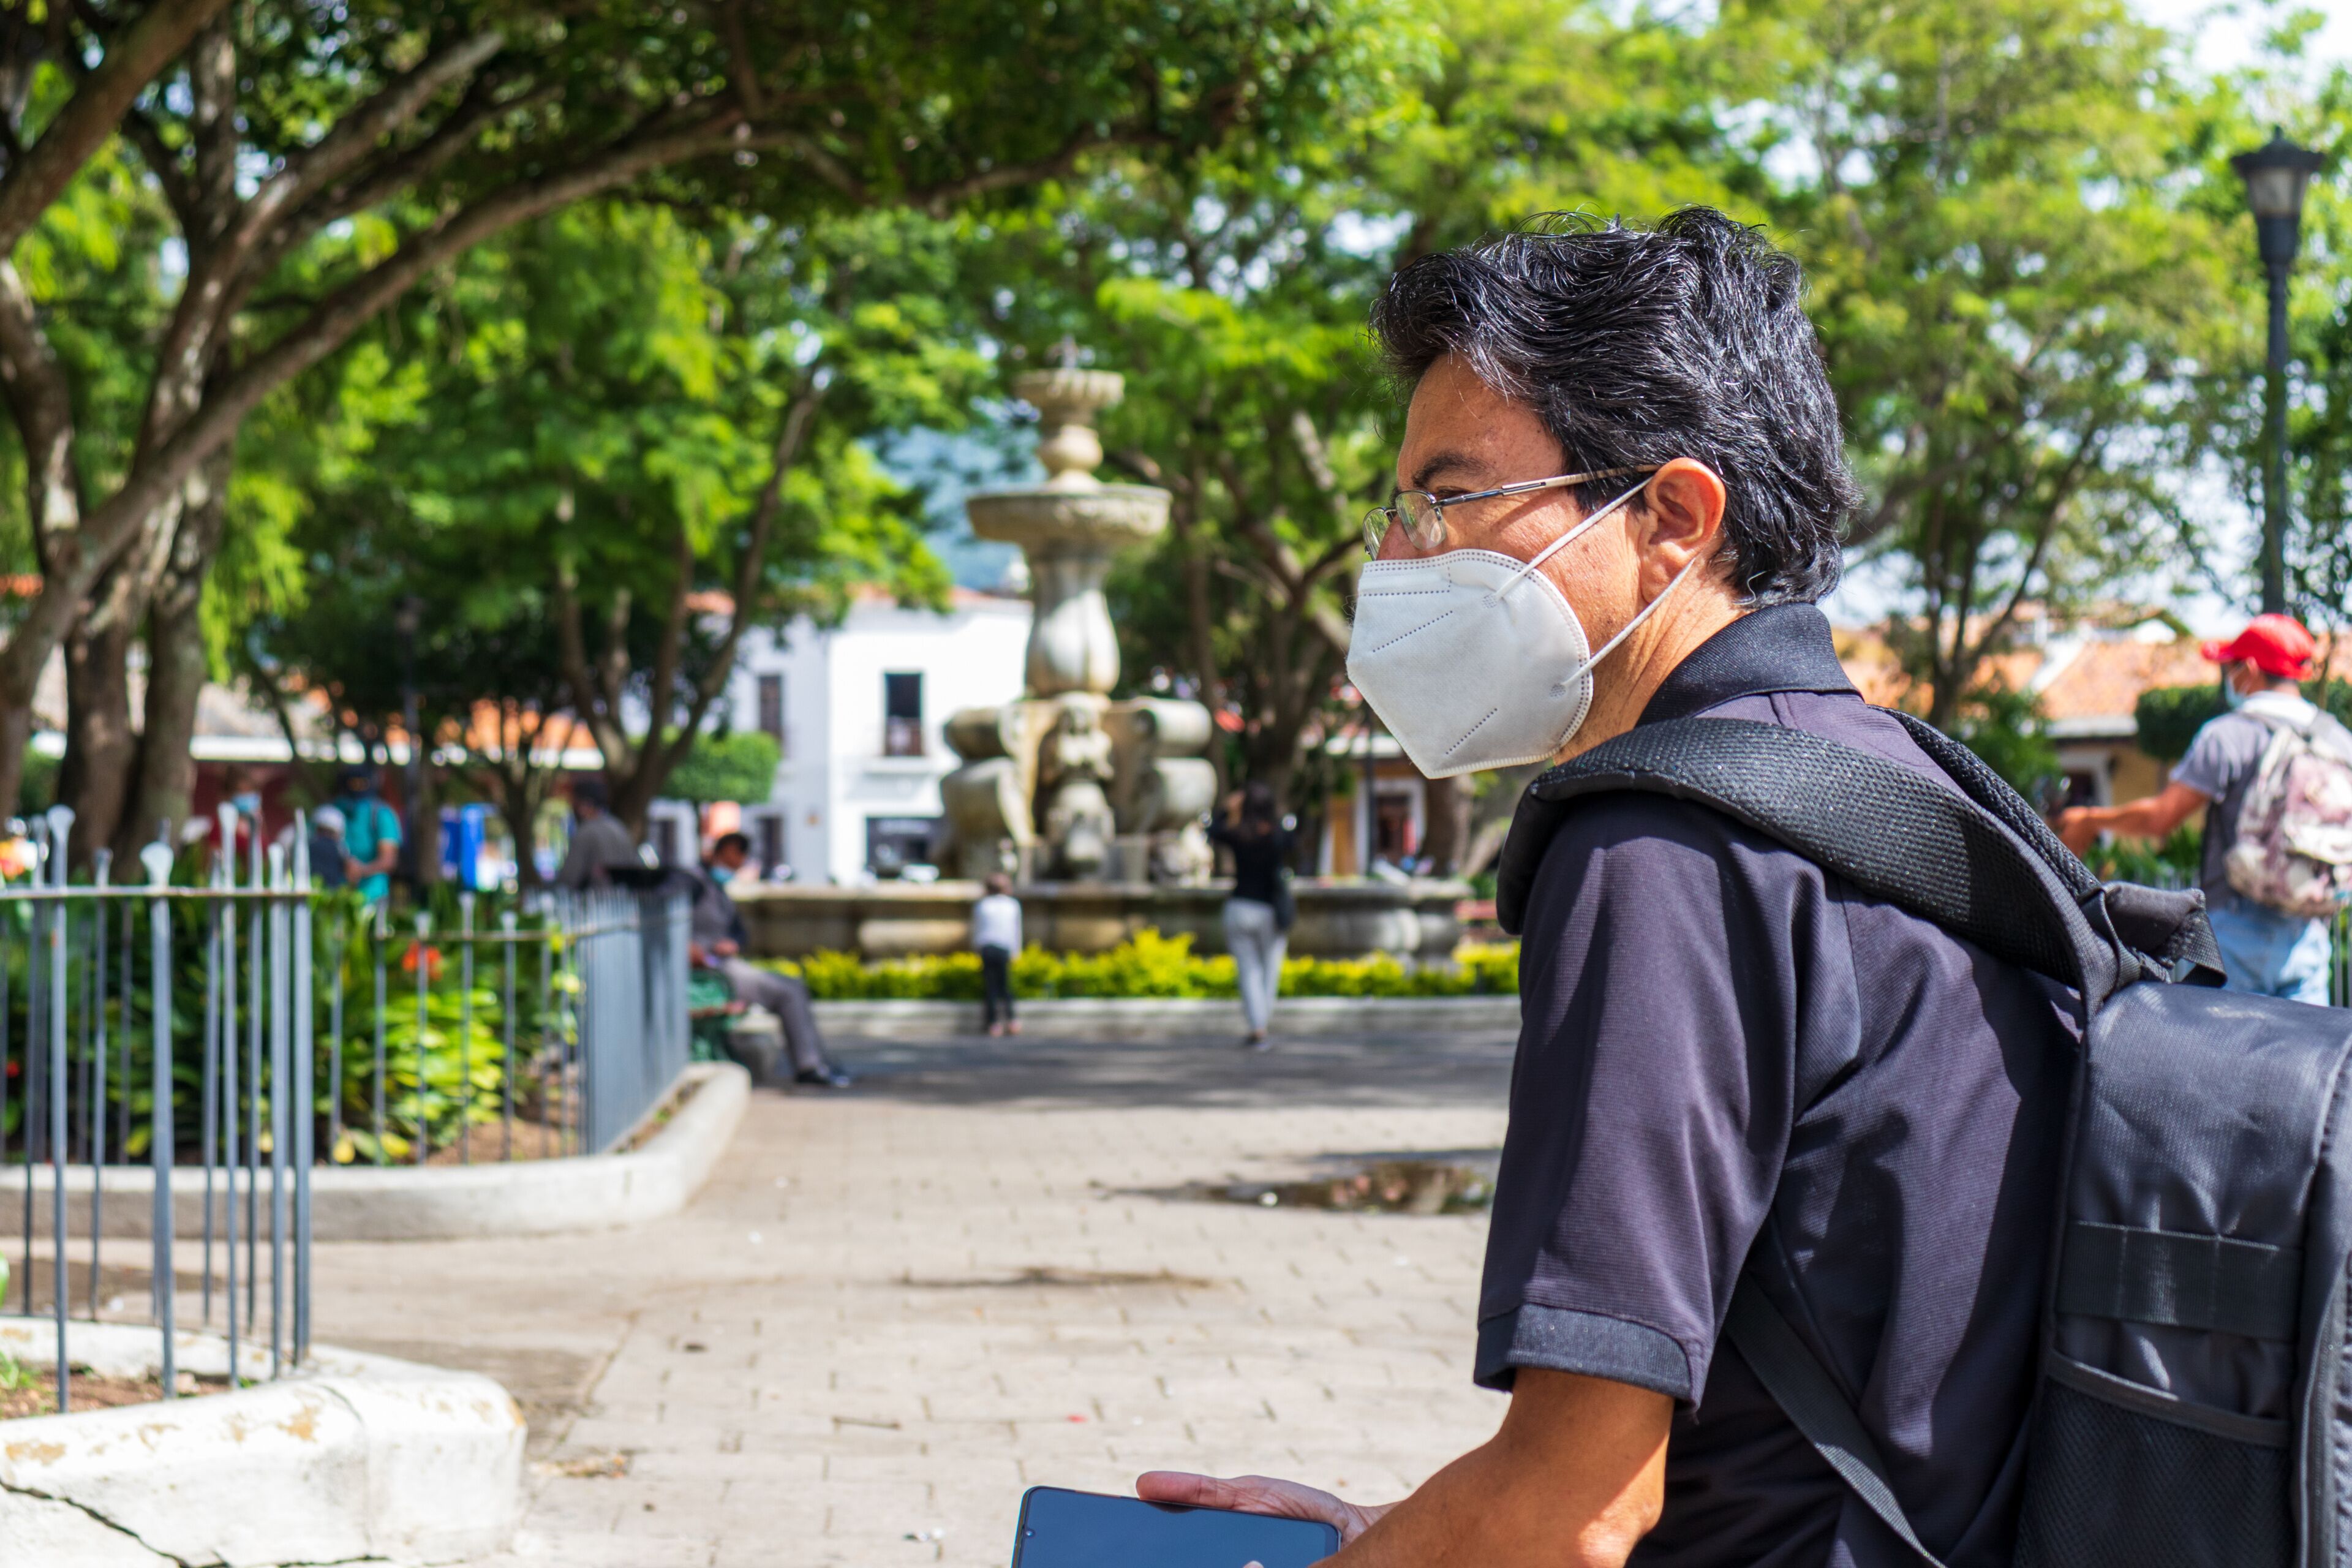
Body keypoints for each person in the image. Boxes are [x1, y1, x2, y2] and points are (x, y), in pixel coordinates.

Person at [1139, 211, 2076, 1567]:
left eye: (1446, 503)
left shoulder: (1665, 848)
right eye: (1395, 512)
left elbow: (1576, 1512)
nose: (1398, 560)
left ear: (1672, 519)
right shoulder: (1907, 790)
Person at [2055, 614, 2334, 1003]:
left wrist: (2090, 820)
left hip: (2237, 932)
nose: (2229, 679)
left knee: (2225, 1060)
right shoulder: (2337, 740)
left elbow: (2161, 819)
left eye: (2231, 667)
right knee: (2307, 1061)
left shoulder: (2229, 735)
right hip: (2310, 934)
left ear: (2249, 669)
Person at [684, 831, 850, 1089]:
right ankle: (808, 1065)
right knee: (788, 992)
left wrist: (734, 943)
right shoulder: (693, 882)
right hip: (711, 972)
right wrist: (702, 949)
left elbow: (739, 931)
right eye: (741, 855)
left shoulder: (716, 886)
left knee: (794, 985)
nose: (742, 863)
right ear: (729, 852)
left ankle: (819, 1062)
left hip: (724, 964)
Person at [1207, 782, 1294, 1050]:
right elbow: (1293, 842)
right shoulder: (1276, 835)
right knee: (1270, 972)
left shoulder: (1236, 832)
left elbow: (1212, 831)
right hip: (1270, 910)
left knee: (1248, 972)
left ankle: (1258, 1027)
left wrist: (1226, 809)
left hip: (1240, 907)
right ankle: (1261, 1026)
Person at [554, 777, 641, 891]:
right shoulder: (620, 828)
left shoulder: (586, 832)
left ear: (585, 805)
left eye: (575, 803)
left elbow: (568, 879)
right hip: (624, 903)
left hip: (596, 902)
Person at [330, 765, 401, 902]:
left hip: (372, 893)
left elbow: (389, 860)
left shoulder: (381, 814)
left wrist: (361, 870)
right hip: (339, 889)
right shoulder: (337, 811)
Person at [971, 872, 1023, 1037]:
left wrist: (976, 949)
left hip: (987, 948)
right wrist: (1016, 951)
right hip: (1003, 948)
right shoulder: (1012, 905)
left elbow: (977, 930)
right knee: (1006, 986)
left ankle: (994, 1024)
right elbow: (1015, 931)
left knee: (991, 987)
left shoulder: (983, 905)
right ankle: (1012, 1020)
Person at [306, 805, 349, 889]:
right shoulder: (308, 846)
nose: (325, 836)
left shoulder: (341, 849)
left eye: (330, 833)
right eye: (322, 831)